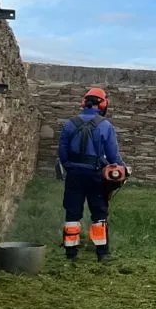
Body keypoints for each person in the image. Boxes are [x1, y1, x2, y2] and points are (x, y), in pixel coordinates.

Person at [57, 87, 127, 262]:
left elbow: (62, 153)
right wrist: (123, 169)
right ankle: (102, 253)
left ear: (84, 103)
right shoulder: (105, 126)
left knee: (72, 213)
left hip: (74, 174)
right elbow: (112, 155)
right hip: (96, 175)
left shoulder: (69, 124)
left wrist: (70, 167)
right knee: (99, 213)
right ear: (103, 104)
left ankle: (71, 253)